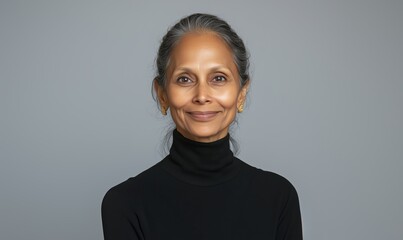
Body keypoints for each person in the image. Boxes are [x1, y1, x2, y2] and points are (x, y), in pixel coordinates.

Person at [101, 13, 303, 240]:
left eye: (218, 78)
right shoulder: (124, 203)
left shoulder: (278, 197)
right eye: (184, 79)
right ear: (162, 95)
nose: (202, 95)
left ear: (241, 94)